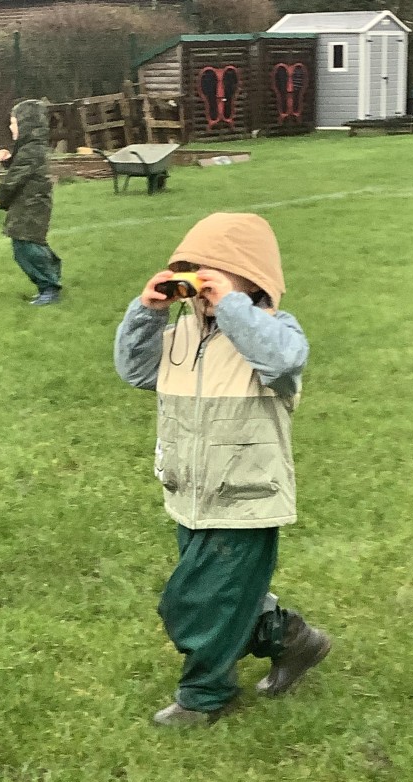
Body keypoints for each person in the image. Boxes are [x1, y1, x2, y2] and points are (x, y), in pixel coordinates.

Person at [114, 212, 331, 727]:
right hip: (188, 492)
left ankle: (205, 696)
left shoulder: (275, 333)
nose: (200, 285)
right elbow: (134, 369)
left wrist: (233, 306)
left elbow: (283, 362)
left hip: (246, 495)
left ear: (253, 280)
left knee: (195, 603)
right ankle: (290, 638)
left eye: (215, 272)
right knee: (221, 597)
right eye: (191, 272)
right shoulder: (181, 336)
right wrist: (146, 314)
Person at [0, 99, 62, 306]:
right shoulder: (29, 148)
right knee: (30, 243)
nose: (10, 127)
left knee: (26, 248)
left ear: (26, 125)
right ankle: (51, 275)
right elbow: (20, 168)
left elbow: (14, 180)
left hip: (31, 205)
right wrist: (7, 161)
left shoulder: (30, 150)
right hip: (29, 203)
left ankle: (49, 287)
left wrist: (1, 200)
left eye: (13, 123)